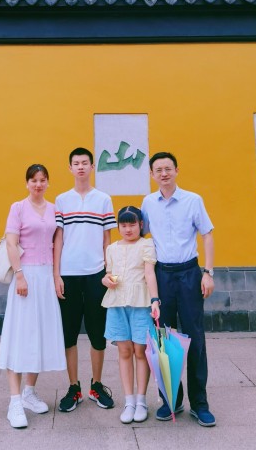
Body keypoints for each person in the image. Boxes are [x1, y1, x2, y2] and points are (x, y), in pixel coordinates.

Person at [141, 151, 216, 427]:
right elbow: (141, 237)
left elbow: (207, 234)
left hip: (189, 274)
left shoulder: (193, 200)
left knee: (195, 338)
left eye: (168, 168)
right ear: (152, 174)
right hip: (162, 275)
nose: (164, 173)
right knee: (164, 340)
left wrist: (207, 273)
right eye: (158, 170)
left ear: (176, 170)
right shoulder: (148, 203)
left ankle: (200, 403)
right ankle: (171, 400)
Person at [0, 164, 66, 429]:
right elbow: (11, 242)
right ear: (27, 183)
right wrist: (20, 275)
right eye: (34, 180)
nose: (38, 184)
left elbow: (57, 243)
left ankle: (29, 392)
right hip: (25, 275)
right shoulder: (18, 208)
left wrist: (56, 275)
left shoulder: (54, 209)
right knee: (20, 336)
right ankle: (14, 401)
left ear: (47, 182)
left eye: (42, 180)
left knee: (39, 335)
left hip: (46, 276)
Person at [54, 147, 118, 412]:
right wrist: (56, 274)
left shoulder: (103, 199)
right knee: (69, 333)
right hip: (68, 274)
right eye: (76, 163)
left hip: (96, 274)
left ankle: (96, 385)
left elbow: (107, 239)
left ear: (92, 167)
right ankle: (74, 387)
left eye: (84, 163)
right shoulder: (61, 200)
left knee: (97, 332)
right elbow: (58, 239)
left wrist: (108, 271)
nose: (80, 167)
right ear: (69, 168)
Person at [101, 206, 160, 424]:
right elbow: (109, 274)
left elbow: (149, 273)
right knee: (124, 351)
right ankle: (129, 402)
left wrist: (155, 300)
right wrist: (105, 280)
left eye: (132, 224)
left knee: (140, 351)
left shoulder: (146, 244)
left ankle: (141, 401)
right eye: (123, 225)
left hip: (140, 304)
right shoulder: (112, 248)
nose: (128, 229)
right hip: (117, 303)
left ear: (140, 225)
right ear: (118, 226)